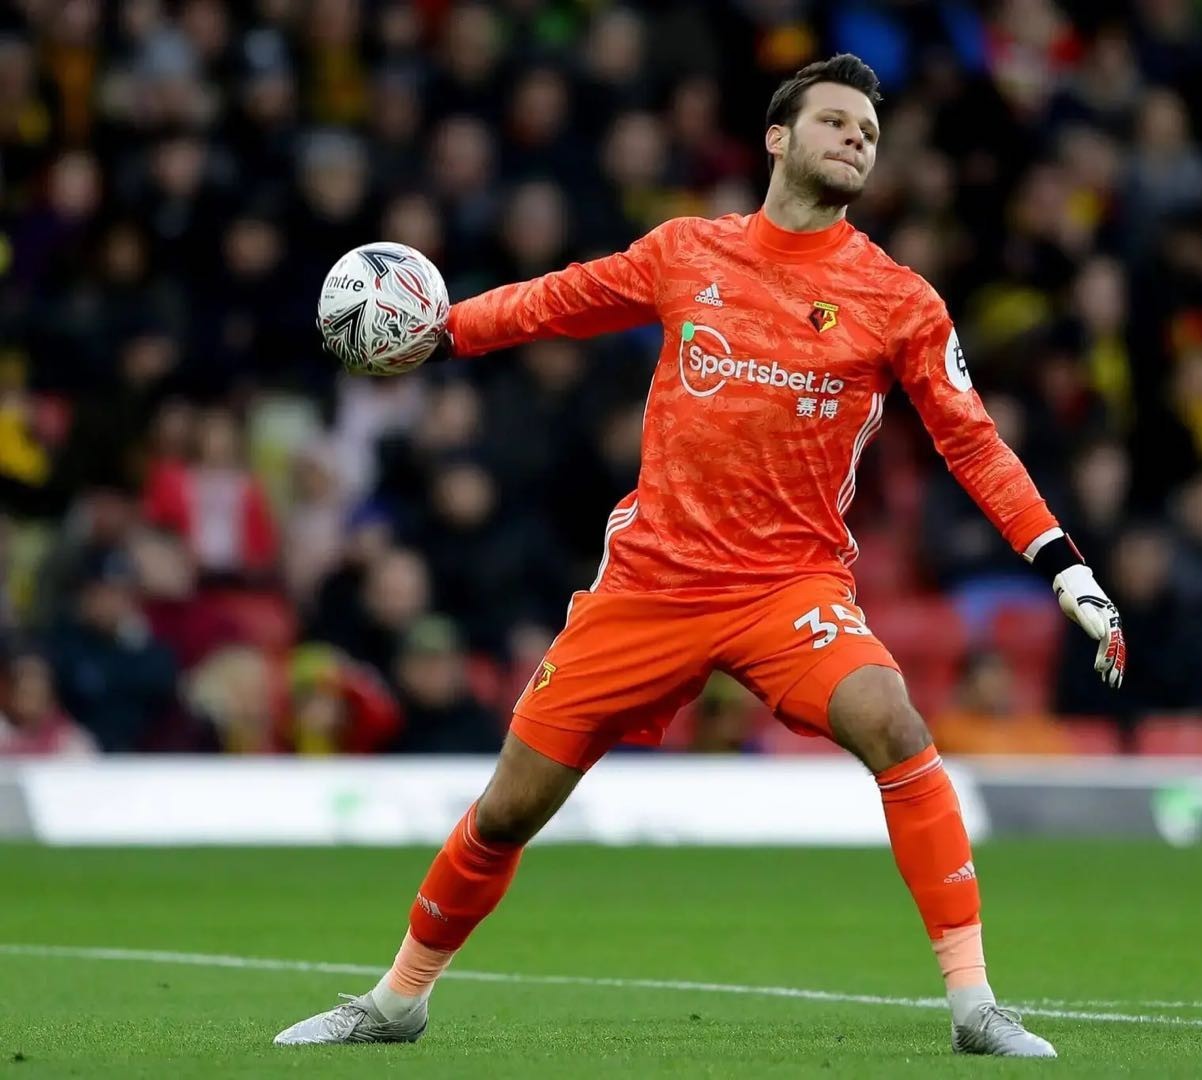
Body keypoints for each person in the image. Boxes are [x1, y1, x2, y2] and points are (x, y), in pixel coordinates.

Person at [275, 55, 1127, 1058]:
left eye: (867, 130)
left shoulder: (897, 299)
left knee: (894, 724)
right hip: (651, 583)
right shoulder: (686, 251)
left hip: (787, 586)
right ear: (777, 138)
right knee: (507, 810)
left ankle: (974, 1004)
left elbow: (972, 442)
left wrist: (1064, 566)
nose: (856, 139)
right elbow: (558, 301)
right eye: (835, 121)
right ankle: (397, 1000)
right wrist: (442, 333)